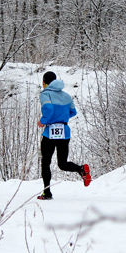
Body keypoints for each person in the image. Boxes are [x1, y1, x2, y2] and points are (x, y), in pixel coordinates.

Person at [37, 71, 91, 200]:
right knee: (62, 163)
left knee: (46, 163)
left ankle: (47, 192)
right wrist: (62, 118)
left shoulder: (45, 94)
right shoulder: (66, 96)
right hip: (64, 132)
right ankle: (81, 169)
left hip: (50, 132)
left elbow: (49, 109)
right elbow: (73, 112)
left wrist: (43, 121)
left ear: (44, 82)